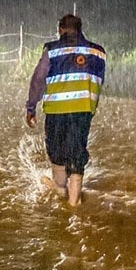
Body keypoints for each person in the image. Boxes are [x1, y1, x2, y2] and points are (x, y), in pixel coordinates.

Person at [25, 14, 105, 206]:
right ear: (80, 29)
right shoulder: (98, 52)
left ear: (60, 29)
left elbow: (38, 79)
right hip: (83, 110)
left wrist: (31, 107)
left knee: (56, 151)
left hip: (56, 110)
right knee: (77, 153)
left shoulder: (52, 50)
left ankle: (60, 190)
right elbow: (98, 81)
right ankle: (73, 203)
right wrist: (90, 108)